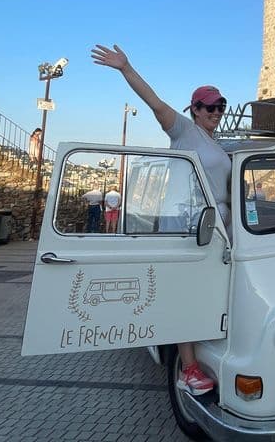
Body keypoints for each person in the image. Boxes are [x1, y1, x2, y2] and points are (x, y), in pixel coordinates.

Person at [91, 43, 228, 396]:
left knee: (207, 291)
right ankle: (188, 369)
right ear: (195, 109)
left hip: (215, 229)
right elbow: (154, 103)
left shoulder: (218, 144)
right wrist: (126, 68)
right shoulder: (183, 131)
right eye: (209, 107)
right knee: (186, 293)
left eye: (220, 107)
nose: (216, 112)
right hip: (184, 226)